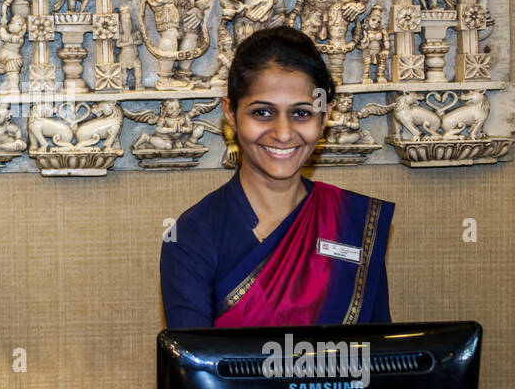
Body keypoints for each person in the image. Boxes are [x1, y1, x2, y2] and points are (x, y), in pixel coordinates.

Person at [160, 26, 393, 328]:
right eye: (262, 113)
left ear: (325, 116)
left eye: (301, 114)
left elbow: (380, 360)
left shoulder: (353, 223)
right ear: (230, 113)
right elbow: (194, 371)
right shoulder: (192, 237)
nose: (283, 134)